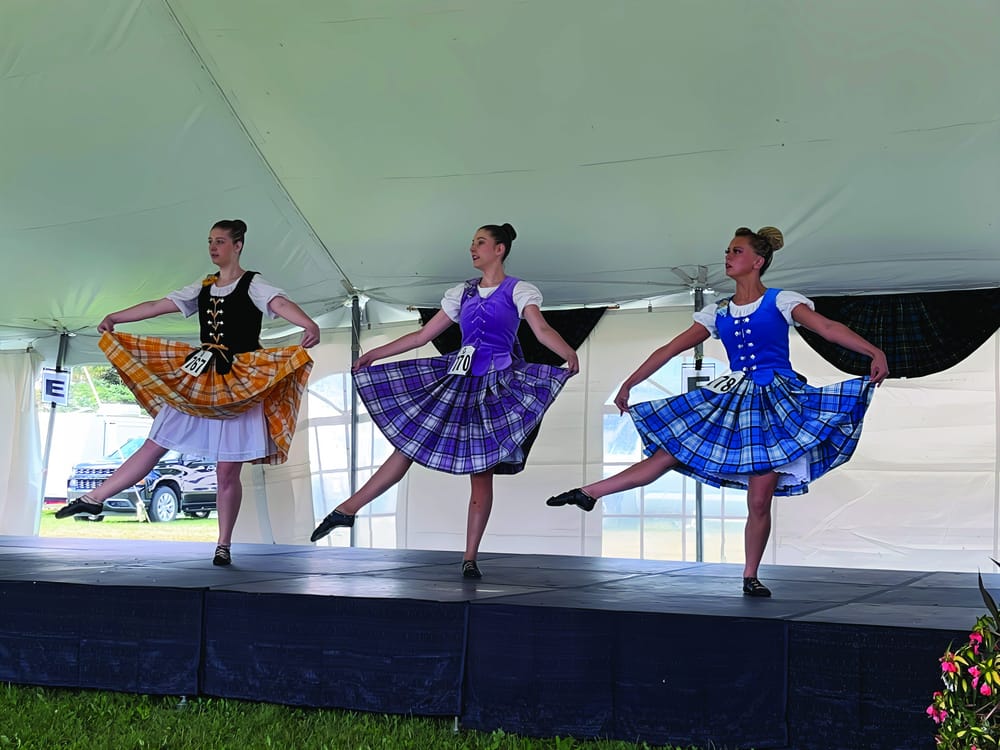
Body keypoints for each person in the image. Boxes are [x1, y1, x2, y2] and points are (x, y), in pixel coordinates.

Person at [547, 226, 889, 597]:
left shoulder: (781, 301)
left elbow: (826, 327)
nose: (728, 256)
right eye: (727, 250)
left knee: (759, 497)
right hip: (733, 397)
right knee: (669, 453)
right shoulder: (719, 312)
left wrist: (874, 351)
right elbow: (670, 349)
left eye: (736, 251)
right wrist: (628, 383)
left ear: (757, 262)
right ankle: (589, 493)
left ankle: (750, 574)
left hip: (773, 399)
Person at [310, 223, 580, 579]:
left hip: (495, 383)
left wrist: (567, 354)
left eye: (480, 243)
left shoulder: (519, 290)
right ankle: (347, 509)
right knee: (408, 445)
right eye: (472, 243)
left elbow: (540, 329)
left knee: (481, 472)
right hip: (457, 378)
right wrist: (375, 353)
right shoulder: (462, 293)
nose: (473, 248)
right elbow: (423, 334)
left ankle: (470, 556)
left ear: (499, 250)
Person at [55, 219, 320, 566]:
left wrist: (308, 323)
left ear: (238, 246)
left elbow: (280, 303)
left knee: (227, 471)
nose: (213, 247)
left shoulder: (253, 284)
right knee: (156, 442)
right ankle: (94, 497)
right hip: (200, 378)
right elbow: (157, 306)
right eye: (210, 241)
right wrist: (115, 317)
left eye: (221, 241)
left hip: (239, 381)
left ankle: (223, 544)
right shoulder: (204, 286)